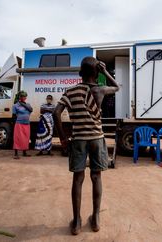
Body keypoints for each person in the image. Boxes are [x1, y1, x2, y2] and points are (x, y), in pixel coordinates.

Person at [53, 57, 119, 235]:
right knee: (96, 177)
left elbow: (56, 112)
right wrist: (105, 71)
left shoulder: (71, 91)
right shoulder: (100, 89)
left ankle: (76, 222)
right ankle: (96, 218)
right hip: (97, 138)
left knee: (78, 179)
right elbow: (117, 87)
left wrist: (63, 138)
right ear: (96, 73)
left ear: (80, 73)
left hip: (79, 139)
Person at [12, 91, 32, 159]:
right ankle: (16, 154)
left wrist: (23, 104)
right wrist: (15, 124)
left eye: (25, 96)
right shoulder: (15, 105)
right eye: (23, 96)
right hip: (19, 124)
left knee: (26, 138)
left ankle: (24, 152)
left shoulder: (28, 104)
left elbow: (31, 110)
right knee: (17, 138)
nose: (25, 97)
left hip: (27, 124)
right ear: (20, 97)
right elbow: (14, 116)